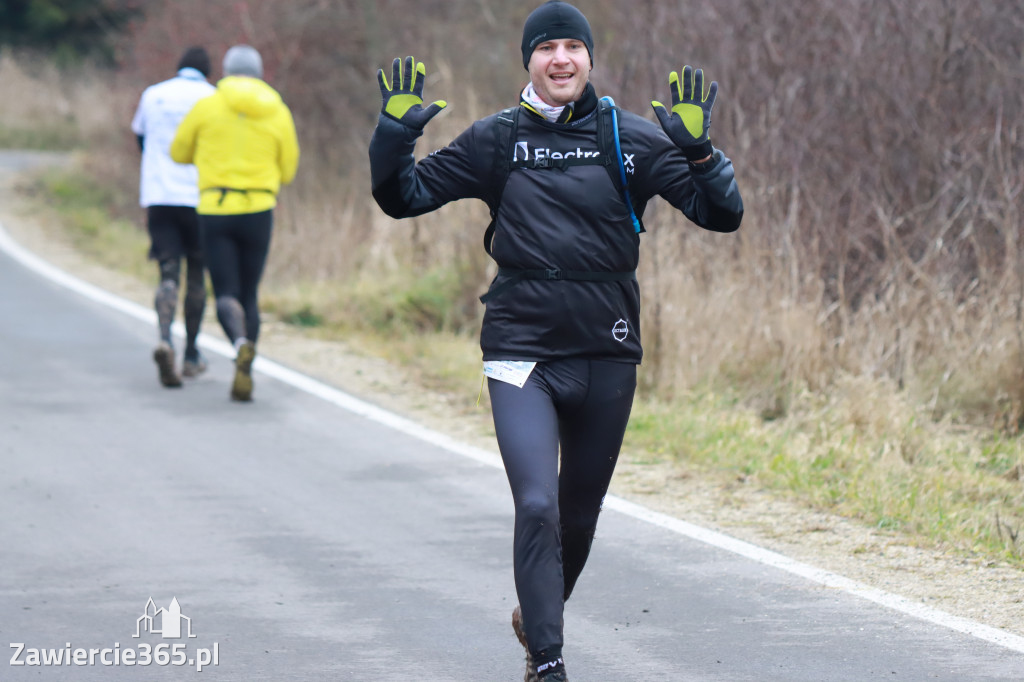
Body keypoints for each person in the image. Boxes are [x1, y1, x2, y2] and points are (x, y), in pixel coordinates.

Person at [369, 1, 743, 679]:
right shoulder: (495, 140)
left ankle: (537, 615)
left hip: (607, 349)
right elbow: (404, 197)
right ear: (529, 62)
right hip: (521, 350)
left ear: (590, 59)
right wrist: (392, 139)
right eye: (547, 49)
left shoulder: (629, 139)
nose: (561, 59)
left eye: (573, 46)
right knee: (537, 503)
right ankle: (549, 660)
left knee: (577, 515)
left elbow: (722, 214)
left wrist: (699, 152)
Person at [170, 45, 300, 402]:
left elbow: (178, 152)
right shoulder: (278, 110)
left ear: (225, 72)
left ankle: (240, 343)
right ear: (259, 73)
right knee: (249, 293)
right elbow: (288, 170)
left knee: (225, 293)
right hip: (259, 208)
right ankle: (248, 367)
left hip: (215, 207)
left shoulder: (207, 105)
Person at [130, 46, 216, 388]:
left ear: (179, 68)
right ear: (208, 71)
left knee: (168, 272)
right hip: (199, 197)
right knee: (196, 274)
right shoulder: (213, 98)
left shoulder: (154, 94)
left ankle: (165, 339)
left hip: (160, 194)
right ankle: (192, 354)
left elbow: (140, 136)